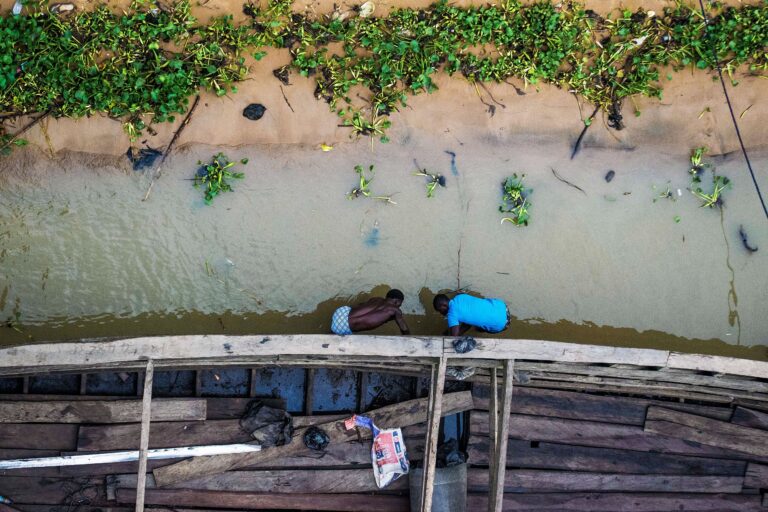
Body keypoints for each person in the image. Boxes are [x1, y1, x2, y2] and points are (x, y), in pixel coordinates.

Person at [331, 289, 411, 336]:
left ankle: (331, 331)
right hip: (343, 327)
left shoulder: (376, 299)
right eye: (401, 303)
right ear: (397, 301)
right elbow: (404, 329)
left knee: (340, 326)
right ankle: (333, 332)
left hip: (341, 312)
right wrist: (410, 340)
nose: (400, 305)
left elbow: (361, 305)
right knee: (341, 329)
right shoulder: (396, 310)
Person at [433, 293, 509, 336]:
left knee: (484, 326)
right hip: (501, 306)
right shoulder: (460, 296)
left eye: (440, 310)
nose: (441, 313)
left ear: (443, 306)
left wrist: (446, 335)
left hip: (502, 324)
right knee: (478, 311)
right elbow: (468, 321)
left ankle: (483, 329)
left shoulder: (451, 315)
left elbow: (454, 338)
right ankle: (480, 327)